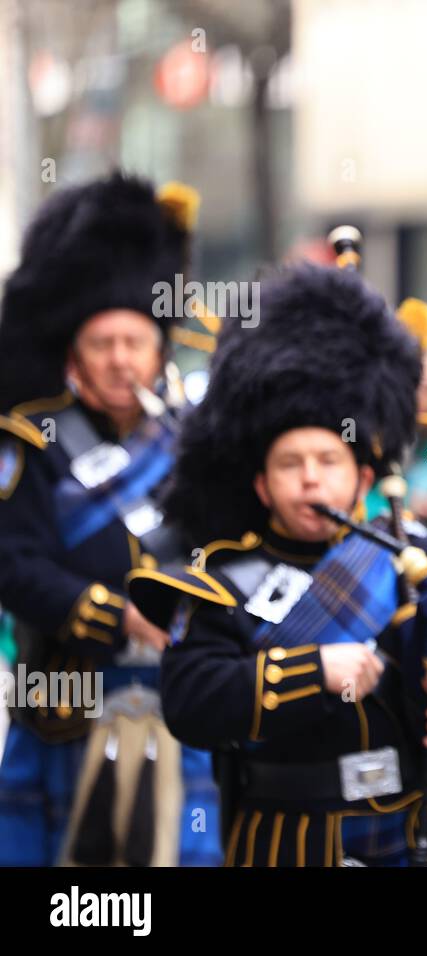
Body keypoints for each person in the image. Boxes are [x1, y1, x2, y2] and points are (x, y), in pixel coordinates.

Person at [127, 264, 427, 866]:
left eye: (327, 460)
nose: (310, 477)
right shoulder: (222, 580)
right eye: (290, 463)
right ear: (261, 484)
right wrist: (315, 670)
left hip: (411, 834)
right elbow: (190, 701)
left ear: (361, 476)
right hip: (283, 841)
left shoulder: (426, 561)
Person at [0, 172, 222, 866]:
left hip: (180, 696)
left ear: (160, 348)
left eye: (135, 341)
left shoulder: (200, 438)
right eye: (103, 344)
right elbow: (12, 561)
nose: (121, 359)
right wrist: (115, 613)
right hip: (65, 701)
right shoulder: (31, 440)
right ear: (74, 355)